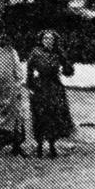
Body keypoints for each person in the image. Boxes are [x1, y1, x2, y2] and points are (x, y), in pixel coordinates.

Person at [25, 29, 76, 157]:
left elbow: (69, 71)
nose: (48, 41)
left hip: (54, 87)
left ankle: (52, 145)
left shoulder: (58, 53)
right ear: (41, 40)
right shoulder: (36, 53)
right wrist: (31, 86)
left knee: (54, 115)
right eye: (46, 39)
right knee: (40, 115)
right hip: (40, 87)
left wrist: (64, 61)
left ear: (54, 41)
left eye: (51, 39)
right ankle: (40, 146)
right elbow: (29, 70)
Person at [0, 30, 28, 155]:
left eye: (4, 36)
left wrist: (17, 85)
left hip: (10, 90)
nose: (1, 38)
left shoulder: (12, 52)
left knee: (15, 117)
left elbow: (19, 72)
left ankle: (16, 146)